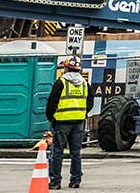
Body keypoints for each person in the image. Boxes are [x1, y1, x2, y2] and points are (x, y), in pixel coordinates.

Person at [45, 57, 92, 190]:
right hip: (78, 121)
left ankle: (55, 181)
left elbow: (51, 102)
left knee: (57, 152)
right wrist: (82, 113)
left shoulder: (61, 82)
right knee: (76, 152)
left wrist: (51, 118)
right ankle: (75, 180)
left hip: (62, 122)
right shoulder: (84, 83)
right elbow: (90, 102)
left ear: (66, 68)